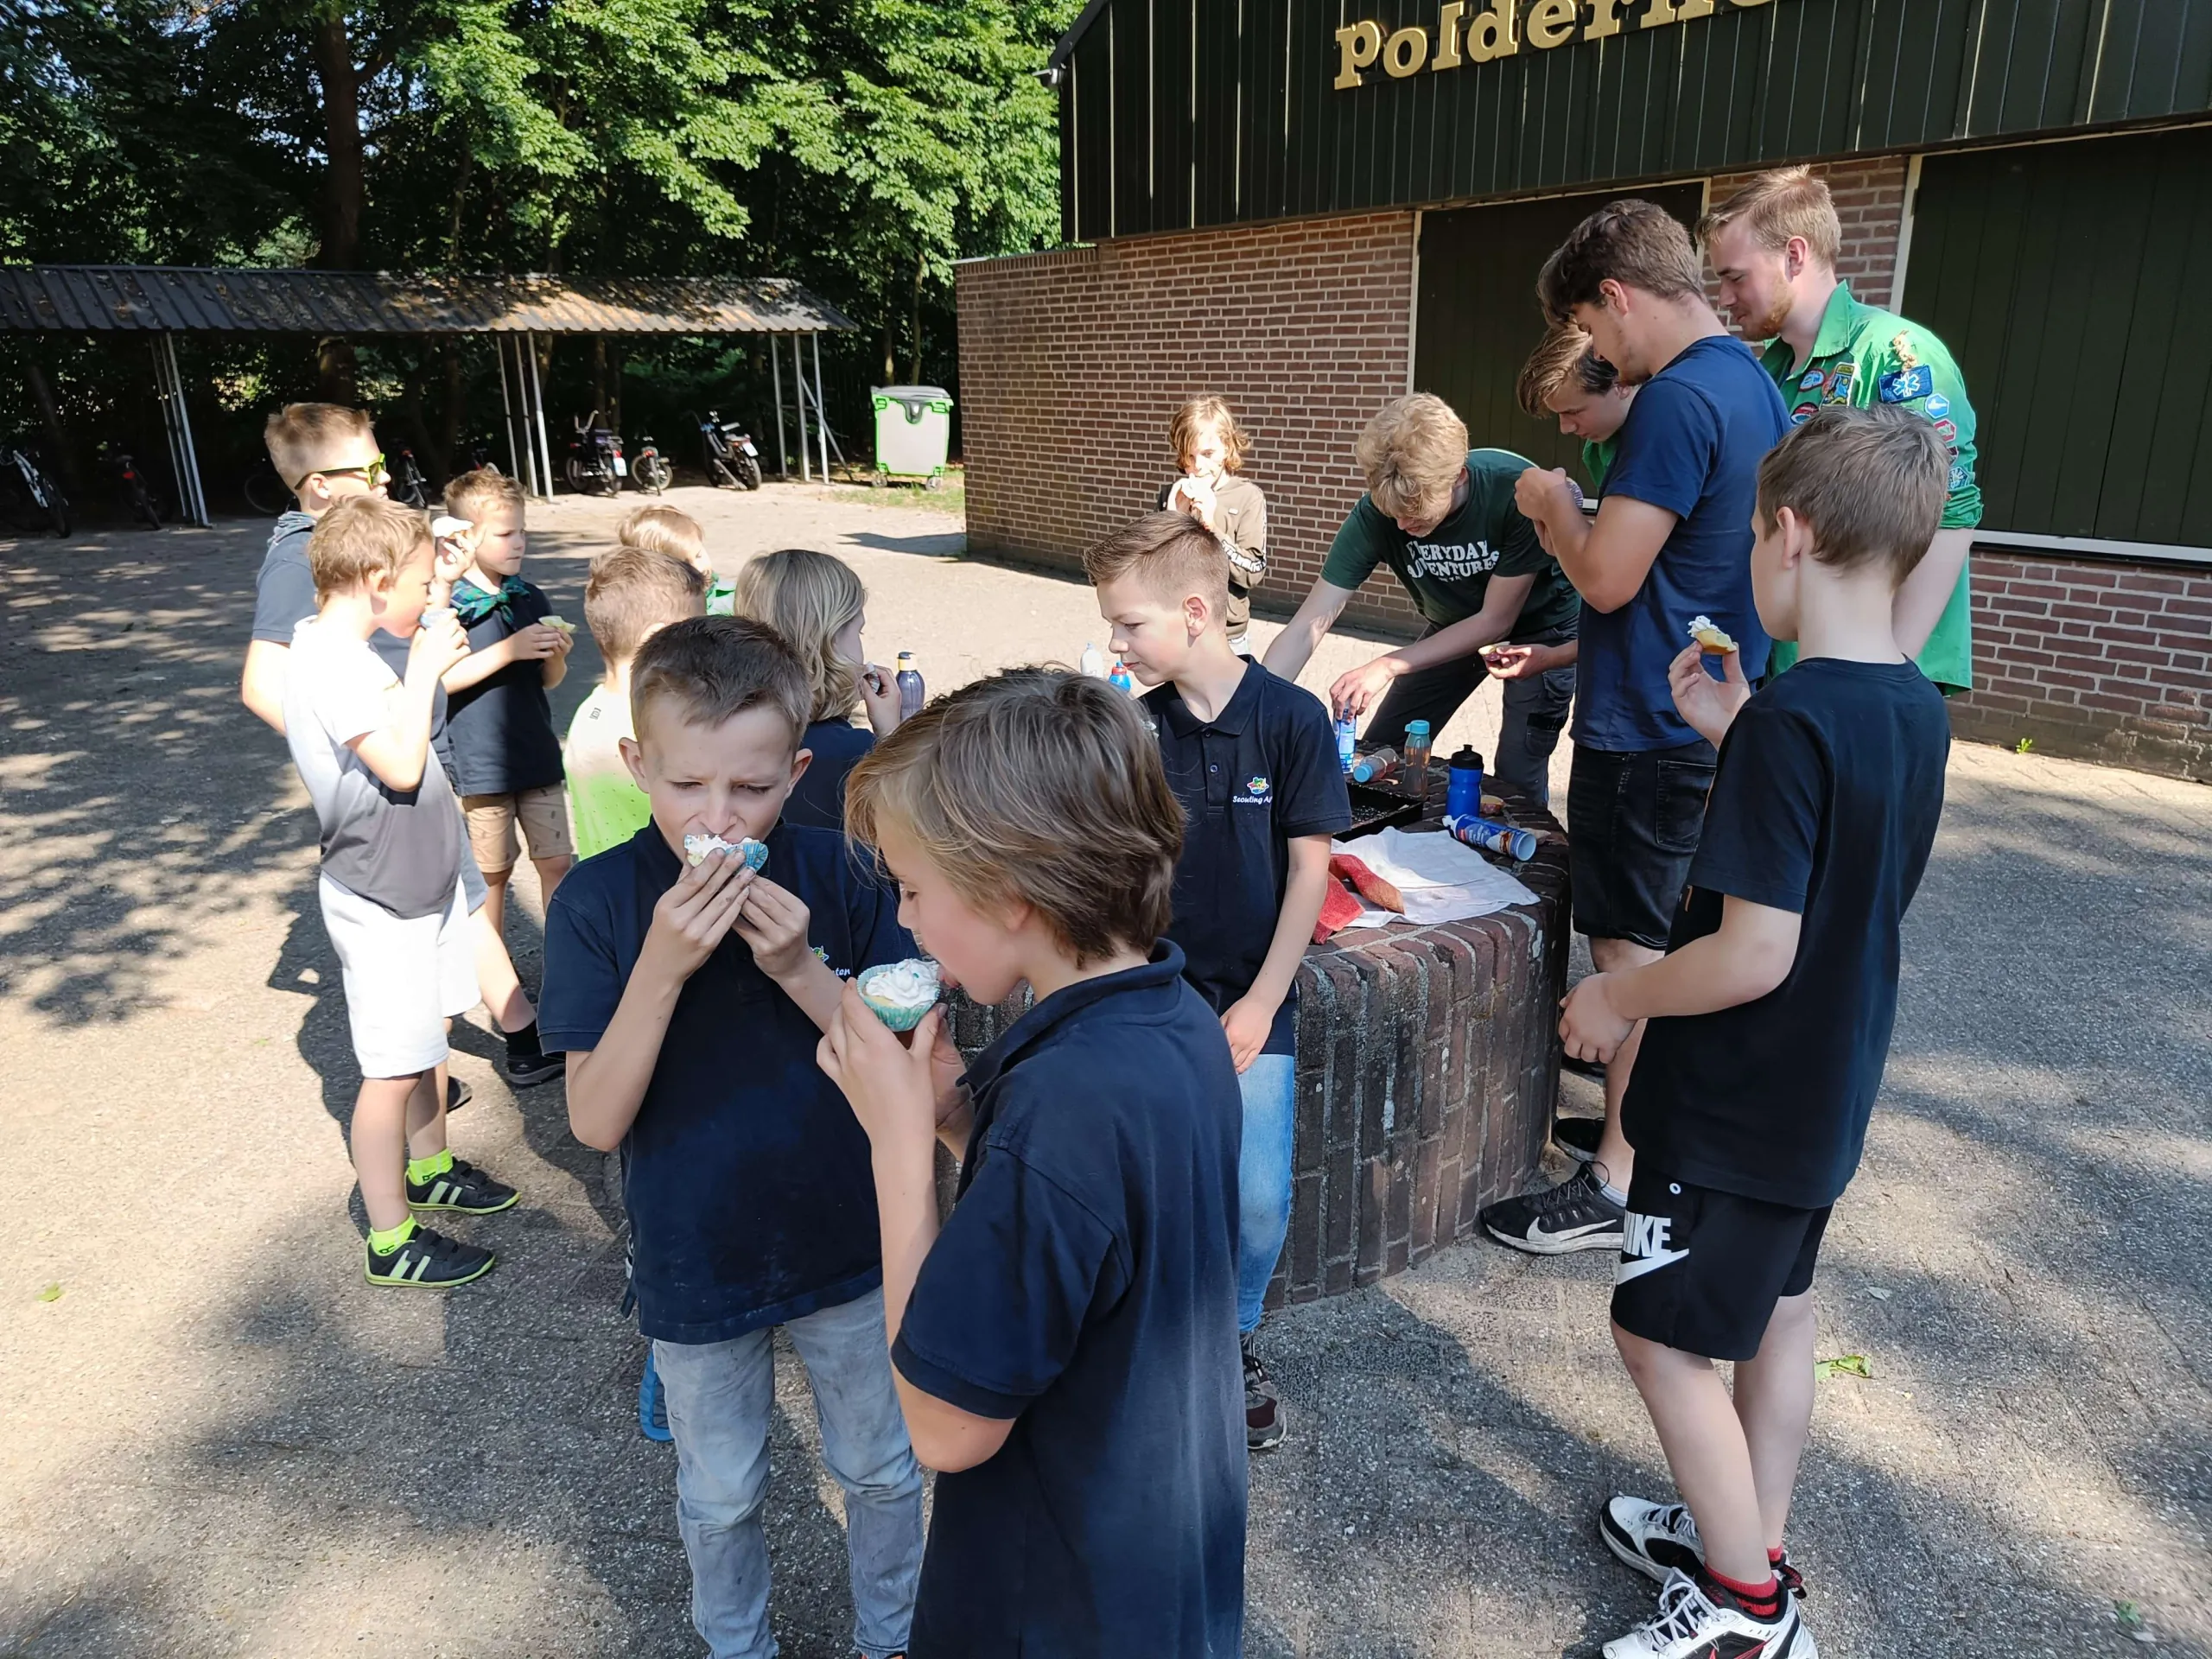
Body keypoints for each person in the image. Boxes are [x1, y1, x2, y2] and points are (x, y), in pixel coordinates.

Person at [1558, 406, 1951, 1659]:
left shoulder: (1795, 722)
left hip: (1732, 1104)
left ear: (1788, 532)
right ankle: (1746, 1535)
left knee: (1656, 1332)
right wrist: (1734, 737)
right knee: (1776, 1312)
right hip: (1823, 1093)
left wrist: (1617, 996)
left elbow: (1752, 953)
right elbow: (1842, 868)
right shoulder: (1907, 709)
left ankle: (1744, 1614)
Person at [818, 669, 1246, 1658]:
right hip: (1161, 1563)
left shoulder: (1063, 1104)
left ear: (1010, 893)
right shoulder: (1171, 1017)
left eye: (916, 889)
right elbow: (1094, 1229)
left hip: (1055, 1601)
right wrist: (957, 1120)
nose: (909, 922)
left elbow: (944, 1429)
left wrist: (893, 1147)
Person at [541, 616, 925, 1659]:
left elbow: (909, 1076)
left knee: (884, 1469)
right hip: (693, 1257)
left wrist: (804, 970)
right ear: (636, 767)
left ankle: (892, 1640)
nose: (717, 819)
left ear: (797, 770)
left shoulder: (844, 872)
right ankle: (737, 1646)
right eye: (685, 788)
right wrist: (661, 966)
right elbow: (593, 1119)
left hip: (849, 1243)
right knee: (718, 1498)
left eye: (751, 790)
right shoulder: (596, 903)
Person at [1489, 200, 1790, 1255]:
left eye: (1593, 323)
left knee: (1633, 955)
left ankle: (1613, 1182)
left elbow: (1610, 579)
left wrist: (1545, 505)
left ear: (1613, 297)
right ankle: (1641, 1131)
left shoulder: (1672, 401)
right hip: (1701, 717)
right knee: (1665, 943)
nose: (1600, 354)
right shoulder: (1751, 382)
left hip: (1646, 730)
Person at [1084, 511, 1350, 1451]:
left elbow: (1311, 870)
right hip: (1153, 997)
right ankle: (1153, 1337)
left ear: (1195, 612)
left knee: (1256, 1193)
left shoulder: (1290, 720)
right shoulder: (1133, 728)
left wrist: (1264, 1001)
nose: (1114, 641)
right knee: (1149, 1178)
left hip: (1252, 994)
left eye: (1127, 624)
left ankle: (1232, 1338)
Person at [239, 403, 560, 1090]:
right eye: (373, 468)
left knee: (463, 902)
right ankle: (452, 1073)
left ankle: (492, 1049)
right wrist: (360, 757)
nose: (387, 481)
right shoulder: (300, 561)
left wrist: (439, 580)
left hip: (415, 752)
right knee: (451, 911)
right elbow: (263, 687)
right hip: (398, 766)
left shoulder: (357, 539)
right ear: (322, 485)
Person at [281, 496, 524, 1287]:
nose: (429, 594)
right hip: (380, 895)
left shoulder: (349, 645)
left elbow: (419, 675)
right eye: (420, 582)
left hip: (419, 882)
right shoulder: (325, 664)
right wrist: (421, 667)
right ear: (378, 580)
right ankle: (391, 1238)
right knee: (390, 1069)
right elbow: (401, 764)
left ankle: (431, 1166)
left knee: (430, 1037)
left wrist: (442, 595)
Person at [1701, 164, 1981, 693]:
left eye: (1734, 276)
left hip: (1874, 676)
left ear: (1794, 254)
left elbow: (1951, 505)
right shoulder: (1769, 373)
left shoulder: (1900, 354)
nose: (1724, 298)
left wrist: (1886, 671)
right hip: (1794, 666)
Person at [1261, 395, 1580, 806]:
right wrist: (1255, 703)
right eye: (1392, 514)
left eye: (1416, 513)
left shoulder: (1511, 489)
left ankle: (1515, 858)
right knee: (1381, 748)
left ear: (1459, 476)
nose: (1403, 524)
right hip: (1452, 625)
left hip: (1542, 631)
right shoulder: (1378, 513)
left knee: (1516, 774)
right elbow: (1310, 622)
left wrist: (1386, 664)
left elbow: (1494, 622)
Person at [1477, 326, 1643, 716]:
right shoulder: (1602, 445)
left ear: (1620, 383)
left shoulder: (1649, 444)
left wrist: (1556, 506)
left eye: (1573, 411)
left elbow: (1604, 581)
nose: (1566, 428)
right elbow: (1589, 564)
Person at [440, 468, 575, 944]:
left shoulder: (529, 596)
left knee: (558, 861)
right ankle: (496, 971)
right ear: (465, 537)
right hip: (482, 761)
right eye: (504, 534)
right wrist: (509, 650)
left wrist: (555, 657)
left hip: (536, 753)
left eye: (522, 531)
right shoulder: (449, 604)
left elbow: (549, 681)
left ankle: (566, 960)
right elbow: (442, 681)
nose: (518, 543)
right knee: (492, 873)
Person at [728, 548, 903, 832]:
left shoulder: (726, 734)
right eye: (857, 632)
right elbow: (908, 832)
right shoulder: (852, 753)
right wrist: (891, 738)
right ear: (829, 642)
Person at [566, 545, 708, 861]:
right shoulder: (655, 729)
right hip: (659, 892)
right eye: (696, 630)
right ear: (657, 639)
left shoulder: (590, 711)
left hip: (610, 890)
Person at [1156, 397, 1269, 654]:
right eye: (1189, 456)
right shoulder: (1171, 495)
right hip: (1179, 626)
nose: (1197, 467)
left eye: (1208, 454)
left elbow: (1253, 571)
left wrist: (1211, 528)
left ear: (1228, 448)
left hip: (1227, 635)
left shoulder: (1247, 497)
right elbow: (1153, 570)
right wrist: (1173, 520)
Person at [616, 502, 730, 613]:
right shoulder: (652, 611)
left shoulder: (731, 596)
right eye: (685, 565)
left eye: (698, 555)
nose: (698, 568)